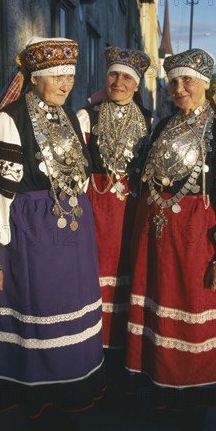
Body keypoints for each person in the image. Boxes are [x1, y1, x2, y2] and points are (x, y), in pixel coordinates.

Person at [0, 37, 106, 431]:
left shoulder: (65, 118)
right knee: (38, 319)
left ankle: (66, 393)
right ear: (37, 77)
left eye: (71, 76)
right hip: (32, 242)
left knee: (68, 315)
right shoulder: (10, 121)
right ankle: (39, 406)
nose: (65, 84)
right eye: (57, 76)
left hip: (72, 245)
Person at [125, 48, 216, 431]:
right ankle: (162, 387)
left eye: (187, 81)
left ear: (205, 84)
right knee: (161, 312)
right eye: (173, 82)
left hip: (198, 242)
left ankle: (193, 401)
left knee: (192, 319)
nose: (179, 88)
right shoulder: (164, 125)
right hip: (159, 242)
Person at [77, 46, 152, 392]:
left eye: (126, 77)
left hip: (133, 212)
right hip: (98, 210)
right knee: (94, 279)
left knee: (130, 277)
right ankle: (93, 359)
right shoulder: (86, 117)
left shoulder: (151, 121)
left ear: (137, 84)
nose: (118, 82)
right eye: (113, 75)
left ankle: (127, 360)